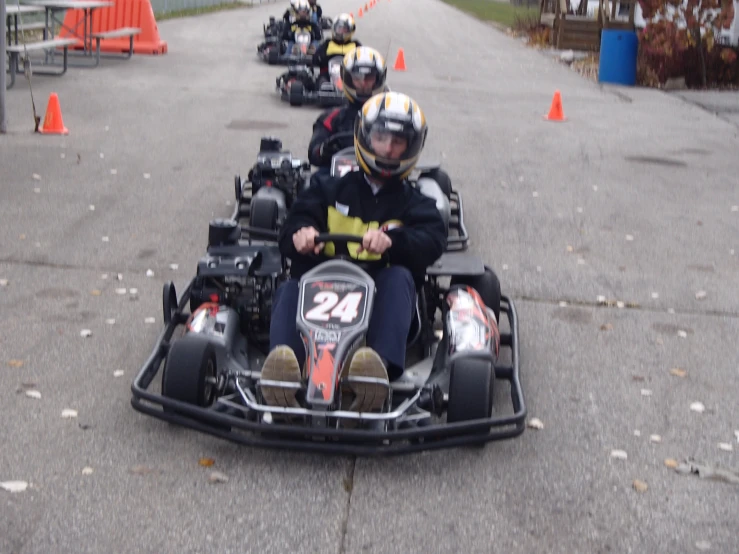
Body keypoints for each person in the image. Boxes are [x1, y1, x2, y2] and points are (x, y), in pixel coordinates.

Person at [260, 91, 447, 414]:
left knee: (400, 276)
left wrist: (393, 242)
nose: (388, 149)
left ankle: (376, 370)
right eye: (381, 138)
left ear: (412, 147)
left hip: (378, 292)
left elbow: (432, 241)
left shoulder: (417, 203)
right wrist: (301, 235)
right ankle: (285, 367)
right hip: (323, 282)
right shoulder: (327, 187)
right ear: (365, 137)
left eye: (398, 142)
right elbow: (291, 227)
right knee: (290, 285)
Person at [307, 46, 387, 177]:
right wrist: (325, 149)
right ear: (347, 79)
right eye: (358, 78)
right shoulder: (331, 118)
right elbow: (314, 154)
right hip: (338, 181)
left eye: (369, 78)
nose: (363, 84)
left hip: (380, 178)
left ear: (379, 79)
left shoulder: (388, 118)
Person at [311, 14, 361, 89]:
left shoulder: (355, 45)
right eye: (339, 29)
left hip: (348, 75)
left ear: (350, 30)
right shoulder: (328, 43)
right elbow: (316, 58)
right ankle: (324, 92)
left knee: (359, 83)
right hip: (328, 73)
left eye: (344, 30)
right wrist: (321, 59)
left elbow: (363, 60)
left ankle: (351, 92)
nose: (341, 32)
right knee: (321, 81)